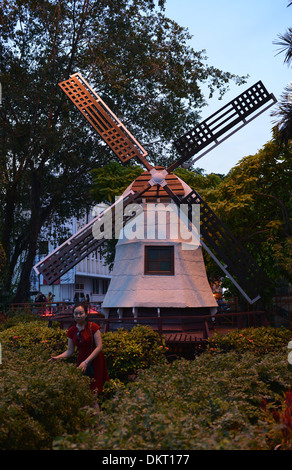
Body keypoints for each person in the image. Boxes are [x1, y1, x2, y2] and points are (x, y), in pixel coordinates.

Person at [49, 302, 109, 394]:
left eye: (81, 313)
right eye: (76, 313)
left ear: (86, 314)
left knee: (93, 392)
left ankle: (95, 408)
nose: (78, 316)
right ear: (73, 315)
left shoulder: (93, 327)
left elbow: (99, 347)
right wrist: (57, 358)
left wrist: (86, 362)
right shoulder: (72, 330)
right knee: (83, 391)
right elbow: (69, 351)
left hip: (95, 361)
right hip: (81, 362)